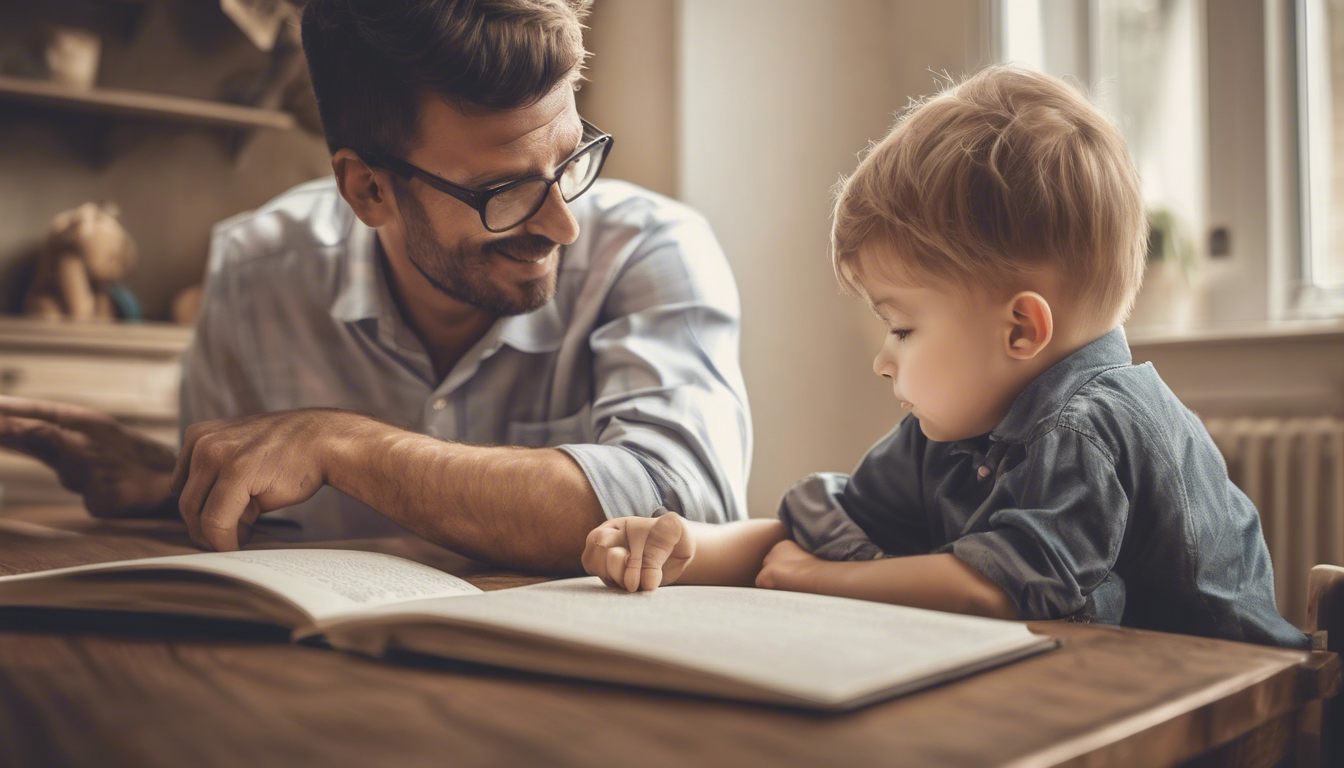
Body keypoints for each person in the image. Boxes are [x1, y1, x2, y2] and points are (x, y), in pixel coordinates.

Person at [0, 0, 750, 573]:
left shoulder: (652, 250)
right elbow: (240, 537)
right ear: (368, 191)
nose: (563, 225)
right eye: (503, 192)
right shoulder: (254, 276)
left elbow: (686, 507)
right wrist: (170, 488)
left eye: (569, 159)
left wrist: (346, 446)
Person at [582, 65, 1309, 648]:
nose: (883, 361)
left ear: (1021, 330)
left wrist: (810, 582)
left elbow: (992, 591)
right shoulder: (955, 432)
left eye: (900, 329)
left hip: (1237, 710)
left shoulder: (1090, 426)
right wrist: (685, 547)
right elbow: (819, 531)